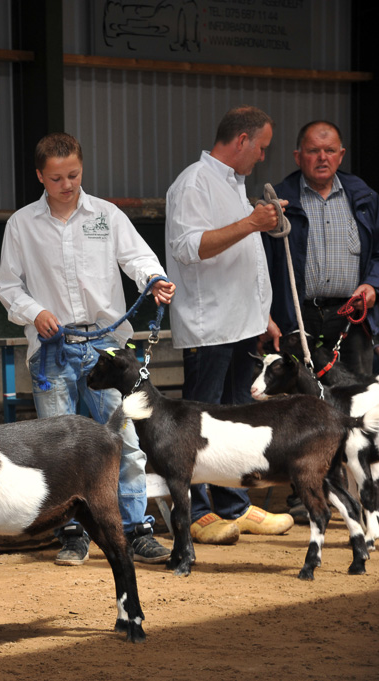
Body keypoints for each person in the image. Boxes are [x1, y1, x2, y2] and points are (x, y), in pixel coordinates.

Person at [0, 133, 176, 566]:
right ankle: (72, 533)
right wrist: (34, 311)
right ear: (40, 176)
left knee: (125, 439)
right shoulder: (21, 224)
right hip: (53, 347)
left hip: (107, 348)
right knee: (58, 448)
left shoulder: (107, 215)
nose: (67, 185)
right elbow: (8, 287)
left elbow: (138, 258)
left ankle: (135, 530)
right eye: (56, 178)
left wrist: (152, 279)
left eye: (73, 175)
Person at [165, 105, 294, 545]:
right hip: (210, 326)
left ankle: (235, 505)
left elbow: (244, 260)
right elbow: (188, 248)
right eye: (261, 148)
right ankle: (196, 511)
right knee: (200, 421)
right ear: (241, 141)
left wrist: (265, 315)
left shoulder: (236, 186)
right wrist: (252, 222)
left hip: (242, 324)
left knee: (238, 420)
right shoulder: (193, 183)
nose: (262, 157)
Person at [265, 120, 379, 377]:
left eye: (329, 150)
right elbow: (262, 266)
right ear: (298, 156)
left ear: (341, 155)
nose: (322, 158)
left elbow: (377, 254)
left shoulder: (366, 199)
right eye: (313, 150)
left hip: (351, 316)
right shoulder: (279, 203)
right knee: (301, 403)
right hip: (297, 319)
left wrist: (373, 285)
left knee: (356, 397)